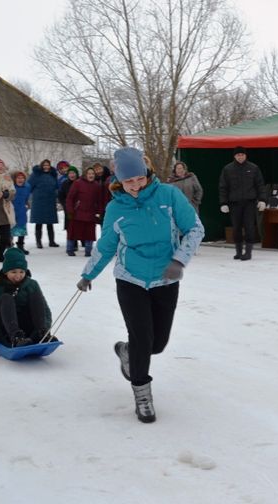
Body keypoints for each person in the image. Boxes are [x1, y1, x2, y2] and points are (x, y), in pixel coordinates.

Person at [76, 147, 204, 423]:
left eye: (139, 178)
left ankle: (126, 351)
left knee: (157, 344)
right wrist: (89, 274)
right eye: (128, 181)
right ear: (119, 181)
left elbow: (195, 228)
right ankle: (142, 396)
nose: (135, 185)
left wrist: (179, 261)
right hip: (130, 279)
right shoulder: (115, 208)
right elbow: (106, 246)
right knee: (143, 338)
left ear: (147, 173)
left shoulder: (168, 196)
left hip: (165, 278)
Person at [0, 247, 53, 349]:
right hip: (3, 329)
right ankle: (16, 338)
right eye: (13, 272)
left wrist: (46, 328)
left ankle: (41, 333)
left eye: (21, 272)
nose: (18, 276)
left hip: (27, 326)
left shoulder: (32, 284)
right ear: (6, 271)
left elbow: (45, 310)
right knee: (6, 298)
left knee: (35, 296)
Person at [218, 146, 267, 261]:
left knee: (249, 227)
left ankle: (248, 252)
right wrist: (223, 203)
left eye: (242, 155)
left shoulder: (253, 168)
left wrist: (262, 200)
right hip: (235, 203)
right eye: (238, 155)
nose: (240, 157)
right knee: (236, 228)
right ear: (235, 156)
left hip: (249, 202)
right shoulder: (228, 169)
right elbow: (223, 187)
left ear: (246, 155)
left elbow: (260, 185)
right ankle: (238, 251)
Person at [66, 166, 104, 257]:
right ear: (85, 174)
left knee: (89, 233)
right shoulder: (77, 183)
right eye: (89, 173)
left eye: (92, 174)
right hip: (77, 212)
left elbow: (99, 201)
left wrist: (99, 212)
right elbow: (70, 198)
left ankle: (88, 250)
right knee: (73, 232)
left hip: (90, 213)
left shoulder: (97, 186)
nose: (91, 175)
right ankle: (70, 249)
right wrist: (70, 210)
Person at [28, 159, 60, 248]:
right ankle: (38, 242)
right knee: (39, 223)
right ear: (42, 166)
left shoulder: (53, 175)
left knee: (50, 223)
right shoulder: (35, 175)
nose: (46, 167)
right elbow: (29, 186)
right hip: (39, 202)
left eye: (48, 165)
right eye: (44, 165)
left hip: (50, 201)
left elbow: (57, 187)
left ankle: (52, 241)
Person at [11, 170, 32, 255]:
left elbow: (27, 198)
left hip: (22, 210)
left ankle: (20, 247)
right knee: (10, 229)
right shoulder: (11, 187)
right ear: (15, 179)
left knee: (21, 228)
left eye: (22, 178)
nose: (20, 179)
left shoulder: (27, 187)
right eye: (18, 178)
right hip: (12, 210)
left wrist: (27, 205)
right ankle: (10, 246)